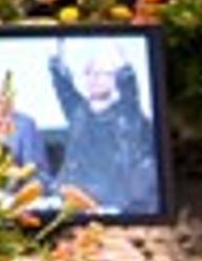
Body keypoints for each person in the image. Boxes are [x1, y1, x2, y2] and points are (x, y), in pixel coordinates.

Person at [47, 46, 158, 216]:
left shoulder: (128, 115)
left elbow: (130, 90)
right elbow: (64, 87)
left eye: (101, 73)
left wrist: (124, 65)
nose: (94, 78)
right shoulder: (79, 112)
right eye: (89, 73)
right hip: (74, 200)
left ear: (116, 78)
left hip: (112, 204)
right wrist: (56, 61)